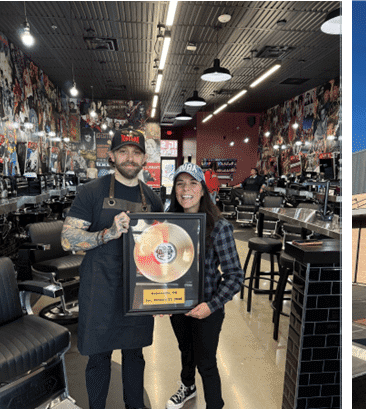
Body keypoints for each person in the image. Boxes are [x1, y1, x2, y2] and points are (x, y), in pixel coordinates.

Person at [61, 131, 163, 409]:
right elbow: (67, 239)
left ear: (144, 158)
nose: (130, 158)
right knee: (99, 356)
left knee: (135, 354)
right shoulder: (92, 192)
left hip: (137, 290)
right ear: (112, 156)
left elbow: (161, 250)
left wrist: (161, 292)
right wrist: (106, 233)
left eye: (136, 153)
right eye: (123, 151)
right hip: (100, 287)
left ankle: (135, 406)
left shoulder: (152, 198)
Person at [165, 163, 245, 409]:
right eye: (180, 183)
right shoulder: (168, 225)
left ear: (202, 190)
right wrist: (157, 297)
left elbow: (235, 276)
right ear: (174, 190)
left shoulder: (219, 227)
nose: (186, 189)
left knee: (206, 361)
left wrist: (211, 306)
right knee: (185, 350)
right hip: (178, 303)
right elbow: (161, 266)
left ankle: (215, 405)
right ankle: (187, 387)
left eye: (192, 183)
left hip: (208, 306)